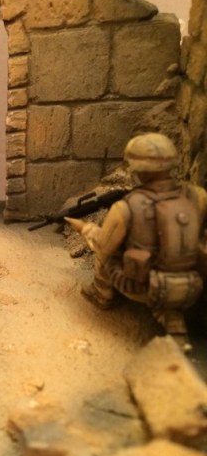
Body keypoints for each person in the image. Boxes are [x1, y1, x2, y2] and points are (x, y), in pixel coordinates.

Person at [67, 133, 207, 348]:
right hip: (193, 286)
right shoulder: (198, 196)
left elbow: (103, 245)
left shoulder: (125, 208)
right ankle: (172, 316)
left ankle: (101, 294)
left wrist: (87, 229)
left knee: (107, 251)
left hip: (143, 288)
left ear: (138, 169)